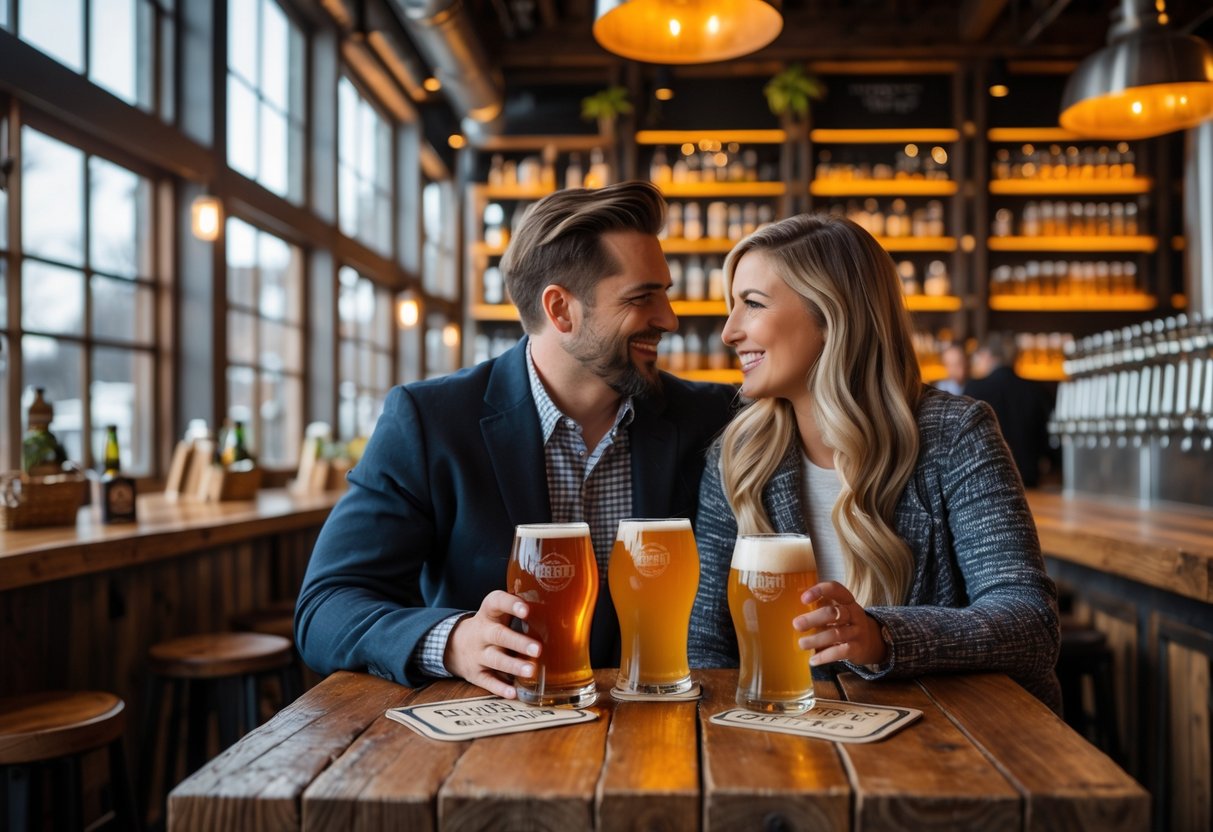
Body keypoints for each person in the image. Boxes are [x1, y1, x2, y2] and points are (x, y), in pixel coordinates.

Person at [294, 181, 734, 700]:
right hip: (493, 739)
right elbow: (325, 607)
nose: (669, 318)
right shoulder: (431, 420)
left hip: (668, 728)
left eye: (665, 292)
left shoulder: (714, 418)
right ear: (561, 310)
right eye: (643, 297)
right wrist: (453, 640)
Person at [687, 214, 1061, 712]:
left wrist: (884, 635)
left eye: (752, 304)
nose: (730, 332)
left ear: (833, 316)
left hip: (959, 739)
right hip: (791, 744)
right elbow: (706, 650)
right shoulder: (737, 456)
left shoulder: (954, 435)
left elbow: (1030, 622)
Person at [963, 333, 1055, 488]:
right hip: (1028, 480)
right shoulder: (1036, 391)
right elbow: (1049, 438)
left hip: (986, 482)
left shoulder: (974, 389)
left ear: (987, 355)